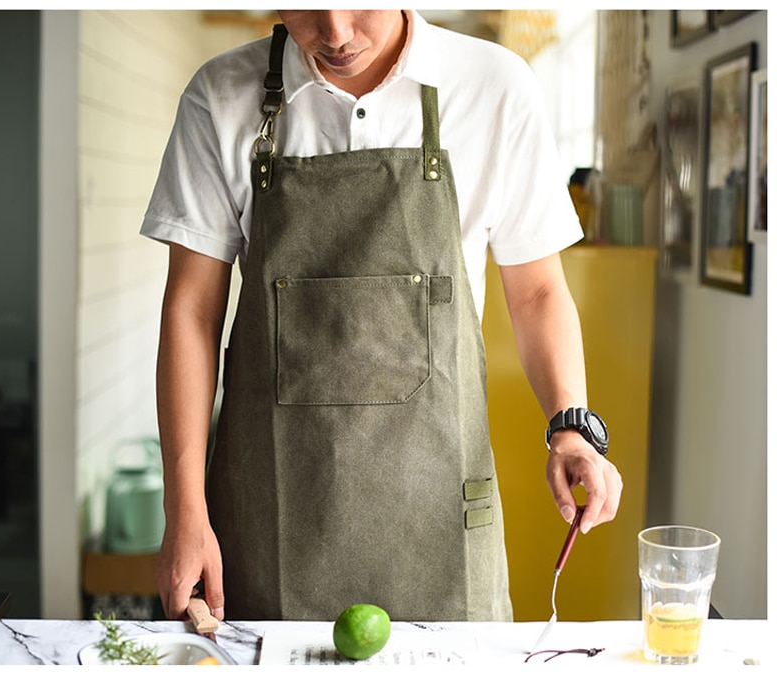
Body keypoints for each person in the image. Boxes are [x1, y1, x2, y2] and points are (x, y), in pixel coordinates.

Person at [141, 10, 623, 624]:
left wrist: (571, 425)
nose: (336, 31)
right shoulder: (219, 96)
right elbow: (191, 310)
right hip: (272, 531)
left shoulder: (495, 86)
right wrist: (184, 507)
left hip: (444, 532)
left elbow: (537, 294)